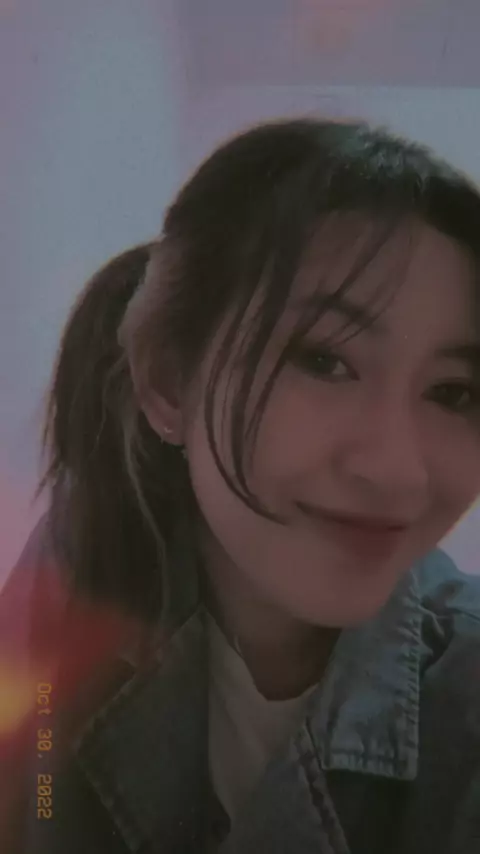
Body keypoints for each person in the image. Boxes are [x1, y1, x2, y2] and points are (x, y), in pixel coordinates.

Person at [2, 118, 480, 854]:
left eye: (453, 393)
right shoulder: (83, 549)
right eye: (324, 360)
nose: (397, 472)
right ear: (169, 382)